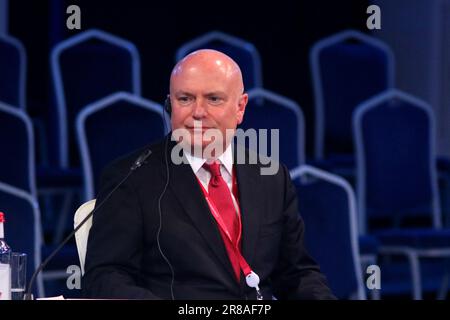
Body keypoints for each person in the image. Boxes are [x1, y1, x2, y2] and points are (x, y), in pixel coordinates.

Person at [82, 49, 335, 299]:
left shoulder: (271, 177)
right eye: (185, 99)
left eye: (213, 99)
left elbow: (298, 274)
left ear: (240, 108)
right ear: (170, 104)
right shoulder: (131, 178)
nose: (198, 112)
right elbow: (104, 277)